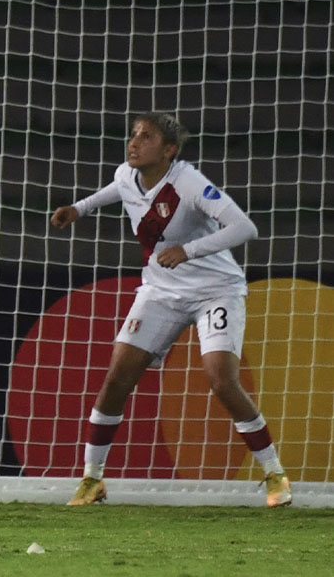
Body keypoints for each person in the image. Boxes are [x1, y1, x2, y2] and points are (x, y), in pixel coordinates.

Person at [52, 112, 291, 508]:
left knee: (221, 381)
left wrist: (189, 250)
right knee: (116, 377)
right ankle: (92, 480)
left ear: (169, 150)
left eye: (146, 137)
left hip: (216, 291)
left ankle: (274, 473)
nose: (134, 142)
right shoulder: (127, 175)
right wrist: (79, 209)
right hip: (161, 292)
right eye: (133, 135)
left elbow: (244, 227)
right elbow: (115, 189)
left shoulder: (189, 183)